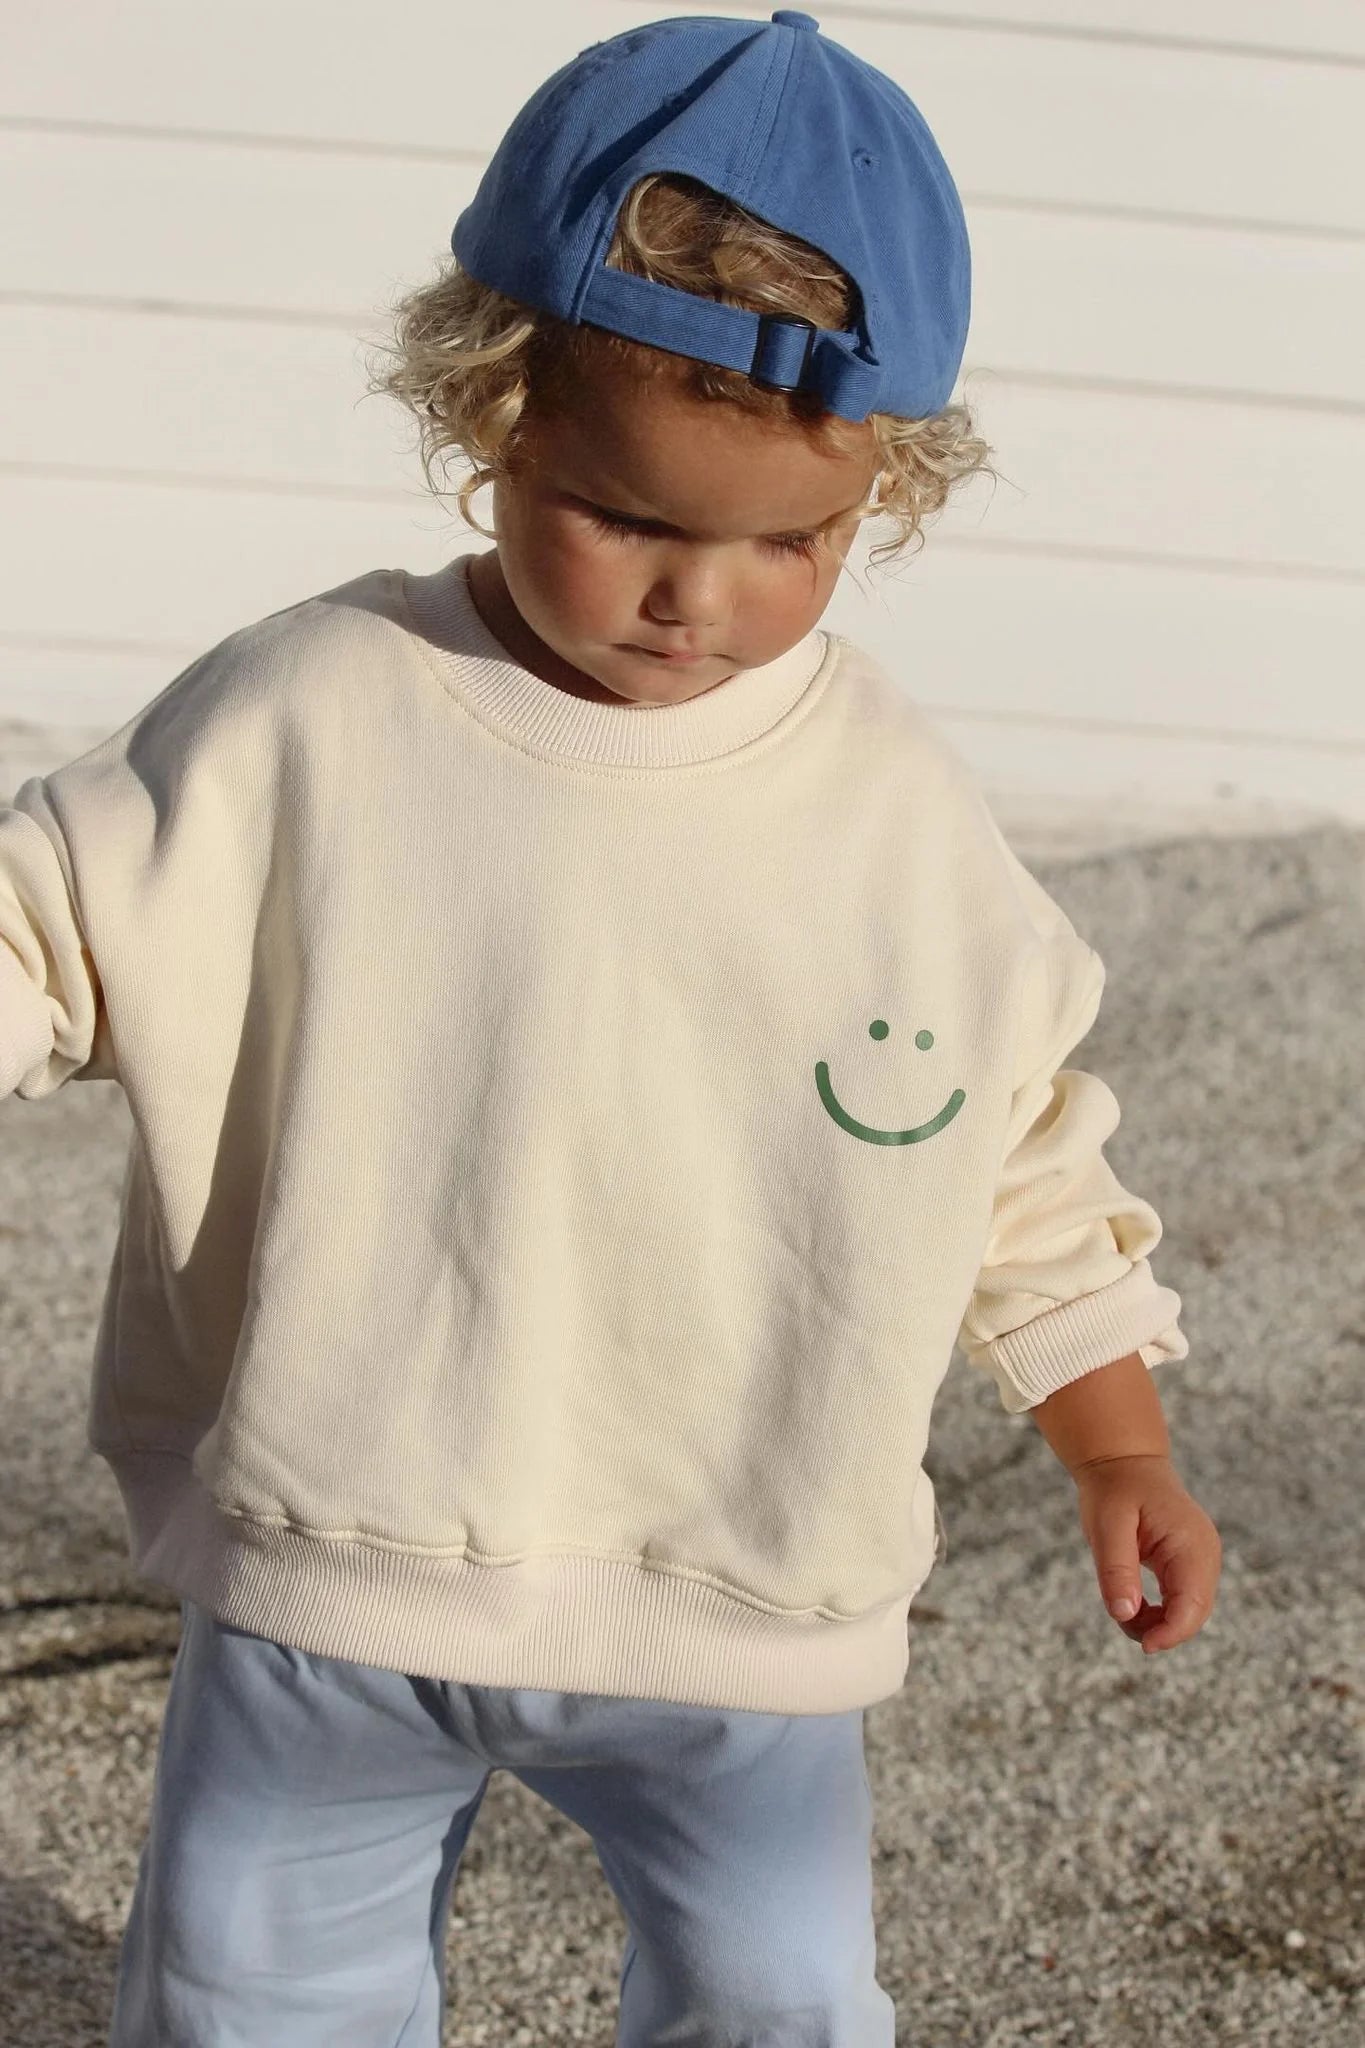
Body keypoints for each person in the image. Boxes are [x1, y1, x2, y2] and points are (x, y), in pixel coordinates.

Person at [0, 11, 1221, 2044]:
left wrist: (1111, 1433)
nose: (699, 600)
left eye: (790, 544)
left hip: (732, 1578)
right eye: (629, 516)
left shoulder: (885, 813)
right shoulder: (319, 707)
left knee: (779, 1993)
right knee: (246, 1989)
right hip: (346, 1551)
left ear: (881, 486)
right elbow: (48, 917)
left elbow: (1006, 1137)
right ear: (491, 413)